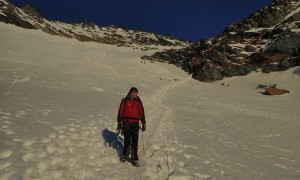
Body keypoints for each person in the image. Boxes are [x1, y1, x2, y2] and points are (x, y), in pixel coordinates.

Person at [117, 87, 146, 166]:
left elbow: (142, 112)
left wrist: (144, 122)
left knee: (135, 141)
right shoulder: (124, 100)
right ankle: (125, 154)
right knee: (127, 140)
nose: (135, 94)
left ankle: (135, 158)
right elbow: (120, 111)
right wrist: (119, 122)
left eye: (136, 92)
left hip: (136, 123)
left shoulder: (139, 102)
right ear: (130, 93)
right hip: (126, 123)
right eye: (133, 92)